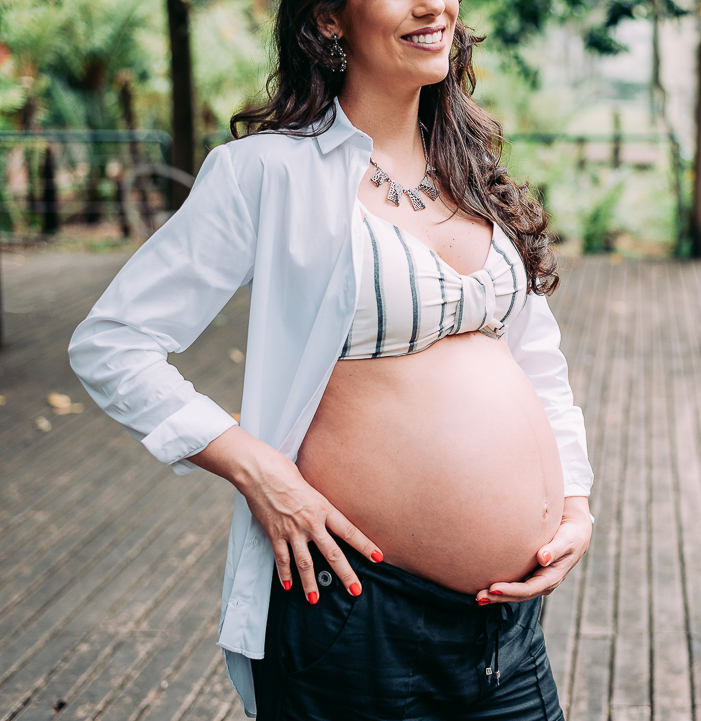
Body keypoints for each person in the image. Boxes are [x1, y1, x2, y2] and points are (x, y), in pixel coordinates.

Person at [68, 0, 594, 718]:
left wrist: (572, 501)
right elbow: (114, 342)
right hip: (357, 616)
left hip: (505, 632)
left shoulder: (472, 171)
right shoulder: (267, 172)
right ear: (328, 20)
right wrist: (258, 470)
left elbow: (537, 357)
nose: (431, 3)